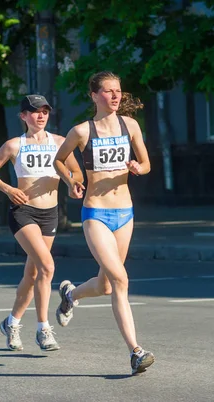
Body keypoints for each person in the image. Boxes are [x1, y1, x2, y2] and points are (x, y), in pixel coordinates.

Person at [53, 71, 155, 375]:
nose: (115, 96)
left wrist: (139, 167)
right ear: (94, 96)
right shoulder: (82, 131)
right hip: (96, 213)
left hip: (125, 213)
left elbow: (148, 164)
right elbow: (59, 160)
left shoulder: (131, 126)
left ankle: (70, 295)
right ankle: (136, 352)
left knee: (106, 285)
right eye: (108, 91)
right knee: (121, 281)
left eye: (118, 91)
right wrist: (70, 180)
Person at [0, 94, 83, 352]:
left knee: (33, 273)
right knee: (47, 266)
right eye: (35, 111)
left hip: (49, 214)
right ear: (23, 116)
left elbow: (77, 171)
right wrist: (8, 189)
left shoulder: (59, 143)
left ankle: (12, 322)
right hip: (23, 212)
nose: (40, 115)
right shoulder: (14, 145)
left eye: (45, 111)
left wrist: (72, 183)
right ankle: (43, 329)